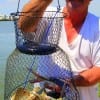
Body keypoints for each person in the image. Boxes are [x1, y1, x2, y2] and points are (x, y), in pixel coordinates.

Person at [18, 0, 100, 100]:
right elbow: (24, 26)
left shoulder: (97, 26)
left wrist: (66, 83)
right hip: (43, 95)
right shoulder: (48, 14)